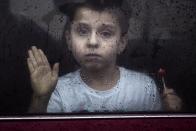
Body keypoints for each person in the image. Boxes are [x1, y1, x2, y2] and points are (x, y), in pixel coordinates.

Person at [27, 0, 181, 113]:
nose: (92, 42)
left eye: (106, 33)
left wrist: (172, 114)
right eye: (82, 31)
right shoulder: (58, 90)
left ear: (121, 42)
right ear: (69, 39)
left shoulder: (143, 89)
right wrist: (41, 98)